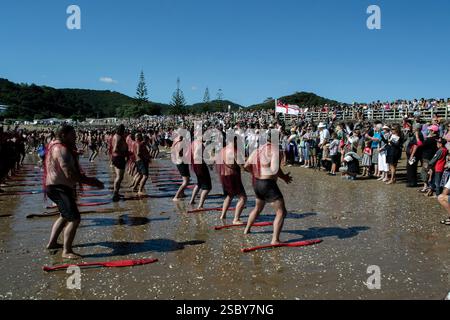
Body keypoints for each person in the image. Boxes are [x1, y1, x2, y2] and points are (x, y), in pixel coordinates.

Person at [45, 125, 104, 260]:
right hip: (58, 188)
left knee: (64, 215)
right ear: (64, 135)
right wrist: (91, 181)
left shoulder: (54, 145)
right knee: (74, 218)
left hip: (56, 187)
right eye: (73, 135)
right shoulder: (61, 149)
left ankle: (52, 243)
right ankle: (67, 251)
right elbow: (70, 174)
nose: (76, 137)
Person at [244, 131, 293, 245]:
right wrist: (284, 177)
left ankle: (247, 230)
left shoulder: (258, 150)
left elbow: (246, 166)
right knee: (281, 212)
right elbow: (275, 169)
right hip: (268, 184)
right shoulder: (276, 150)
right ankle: (275, 240)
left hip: (257, 183)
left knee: (257, 208)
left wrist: (254, 173)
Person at [216, 136, 247, 224]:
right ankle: (236, 219)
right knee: (243, 197)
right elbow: (242, 165)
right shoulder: (234, 151)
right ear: (234, 140)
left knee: (229, 196)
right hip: (232, 176)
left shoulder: (222, 150)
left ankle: (223, 215)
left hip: (224, 175)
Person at [189, 134, 212, 209]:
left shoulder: (193, 143)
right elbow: (196, 156)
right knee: (207, 187)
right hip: (200, 166)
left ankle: (192, 200)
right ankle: (200, 206)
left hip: (195, 166)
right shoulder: (199, 144)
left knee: (199, 183)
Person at [111, 124, 128, 202]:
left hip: (116, 157)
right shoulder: (118, 137)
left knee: (118, 176)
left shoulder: (115, 136)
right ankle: (115, 194)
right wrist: (124, 153)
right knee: (119, 177)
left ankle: (116, 193)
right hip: (119, 157)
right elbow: (115, 149)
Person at [172, 134, 191, 201]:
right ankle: (176, 197)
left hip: (179, 162)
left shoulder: (175, 142)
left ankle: (182, 193)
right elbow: (180, 153)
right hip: (181, 162)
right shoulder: (181, 143)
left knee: (187, 179)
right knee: (186, 181)